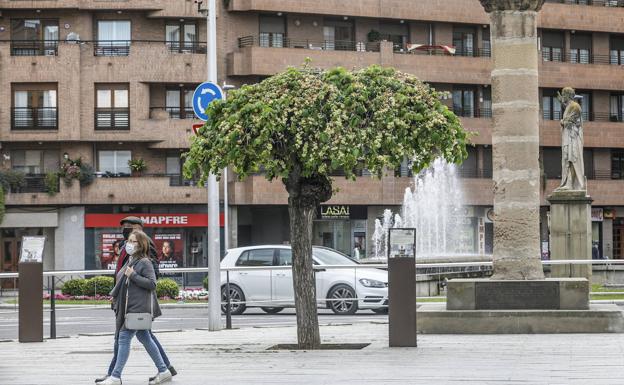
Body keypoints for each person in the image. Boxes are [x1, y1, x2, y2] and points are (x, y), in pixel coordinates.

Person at [96, 216, 176, 384]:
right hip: (126, 302)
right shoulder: (128, 253)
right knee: (144, 337)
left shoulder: (144, 257)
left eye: (130, 227)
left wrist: (134, 275)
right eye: (124, 227)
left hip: (136, 304)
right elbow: (122, 276)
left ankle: (114, 375)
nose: (126, 231)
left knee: (123, 337)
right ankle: (164, 369)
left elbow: (151, 281)